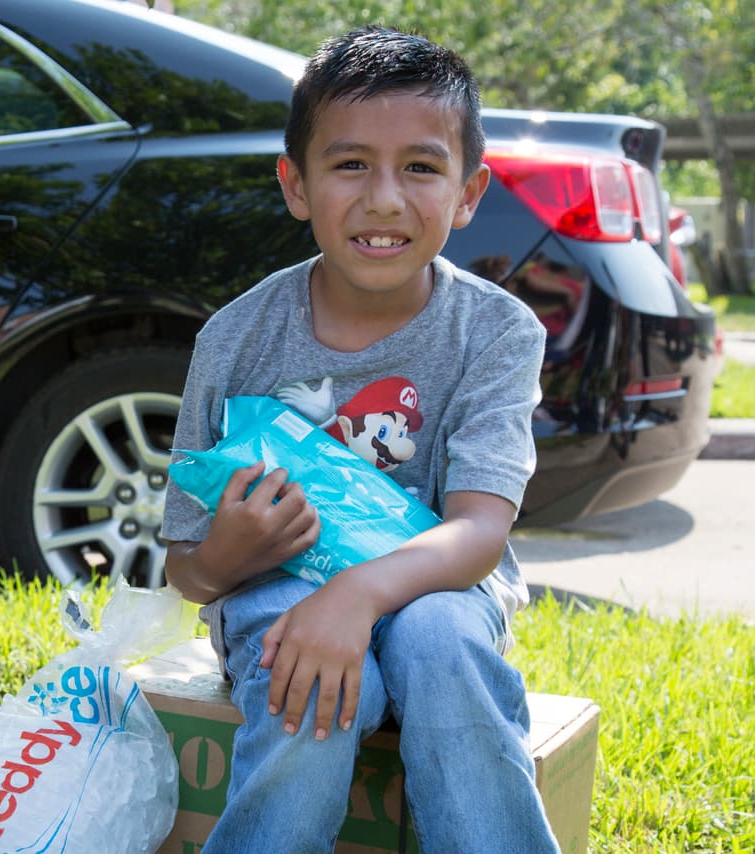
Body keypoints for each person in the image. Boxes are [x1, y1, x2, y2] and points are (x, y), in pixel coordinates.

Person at [161, 25, 562, 852]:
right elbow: (189, 573)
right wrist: (228, 553)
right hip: (277, 594)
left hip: (439, 594)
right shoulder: (236, 340)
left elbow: (481, 531)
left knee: (442, 640)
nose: (384, 198)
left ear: (468, 192)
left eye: (420, 166)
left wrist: (357, 593)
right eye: (350, 165)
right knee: (293, 662)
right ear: (296, 185)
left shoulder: (495, 332)